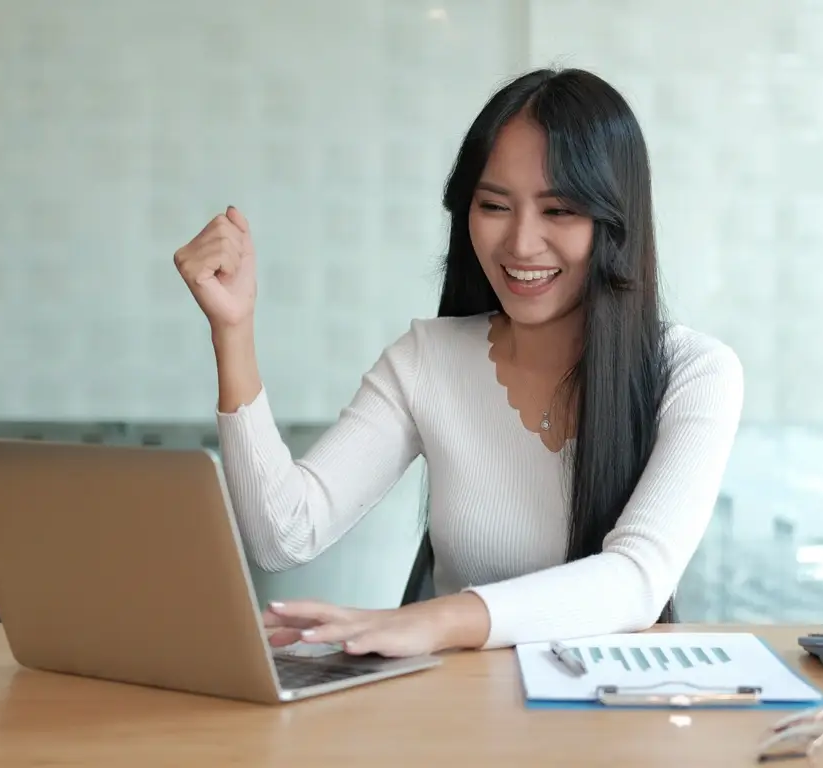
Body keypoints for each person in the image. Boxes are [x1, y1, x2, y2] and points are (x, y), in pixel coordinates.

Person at [173, 68, 744, 658]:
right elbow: (282, 533)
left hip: (615, 724)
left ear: (616, 222)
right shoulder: (428, 360)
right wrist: (233, 330)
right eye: (495, 205)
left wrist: (435, 620)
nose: (521, 244)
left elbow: (636, 579)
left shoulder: (695, 372)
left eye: (560, 211)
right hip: (459, 719)